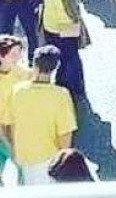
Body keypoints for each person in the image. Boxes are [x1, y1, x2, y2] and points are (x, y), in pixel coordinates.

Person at [9, 45, 77, 184]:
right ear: (56, 67)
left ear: (34, 63)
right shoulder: (61, 95)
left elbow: (11, 124)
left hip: (23, 158)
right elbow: (65, 134)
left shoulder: (18, 91)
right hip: (48, 160)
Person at [39, 0, 89, 99]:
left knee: (67, 59)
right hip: (66, 27)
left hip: (59, 28)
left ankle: (68, 87)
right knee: (71, 57)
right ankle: (76, 86)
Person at [0, 35, 31, 182]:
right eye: (13, 55)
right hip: (3, 132)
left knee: (24, 171)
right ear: (1, 56)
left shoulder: (23, 74)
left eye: (20, 54)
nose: (18, 59)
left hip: (18, 131)